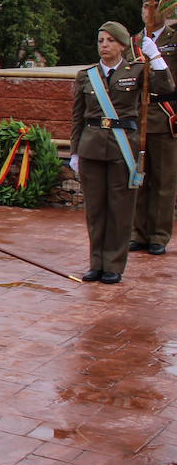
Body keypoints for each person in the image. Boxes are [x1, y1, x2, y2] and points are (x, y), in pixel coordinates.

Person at [71, 21, 173, 283]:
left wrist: (156, 57)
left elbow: (165, 88)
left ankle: (114, 265)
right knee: (95, 210)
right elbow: (77, 119)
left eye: (109, 40)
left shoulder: (137, 71)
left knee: (120, 209)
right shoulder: (87, 75)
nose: (104, 45)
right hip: (91, 147)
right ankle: (96, 262)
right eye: (100, 40)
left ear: (121, 45)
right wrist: (75, 152)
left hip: (123, 148)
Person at [132, 0, 177, 256]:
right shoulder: (134, 41)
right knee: (139, 178)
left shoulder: (174, 38)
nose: (148, 11)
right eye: (145, 6)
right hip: (139, 116)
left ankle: (159, 235)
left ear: (165, 10)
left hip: (165, 115)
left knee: (163, 180)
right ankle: (138, 232)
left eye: (154, 6)